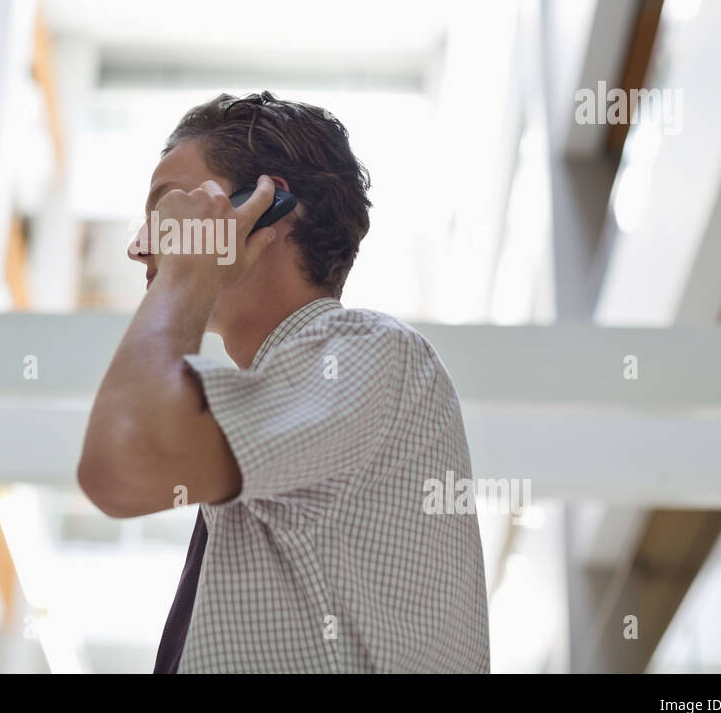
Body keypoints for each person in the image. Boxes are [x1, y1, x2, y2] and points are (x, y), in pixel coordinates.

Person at [77, 91, 491, 673]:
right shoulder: (276, 413)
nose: (139, 246)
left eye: (171, 211)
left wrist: (186, 273)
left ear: (266, 210)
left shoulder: (370, 352)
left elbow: (120, 466)